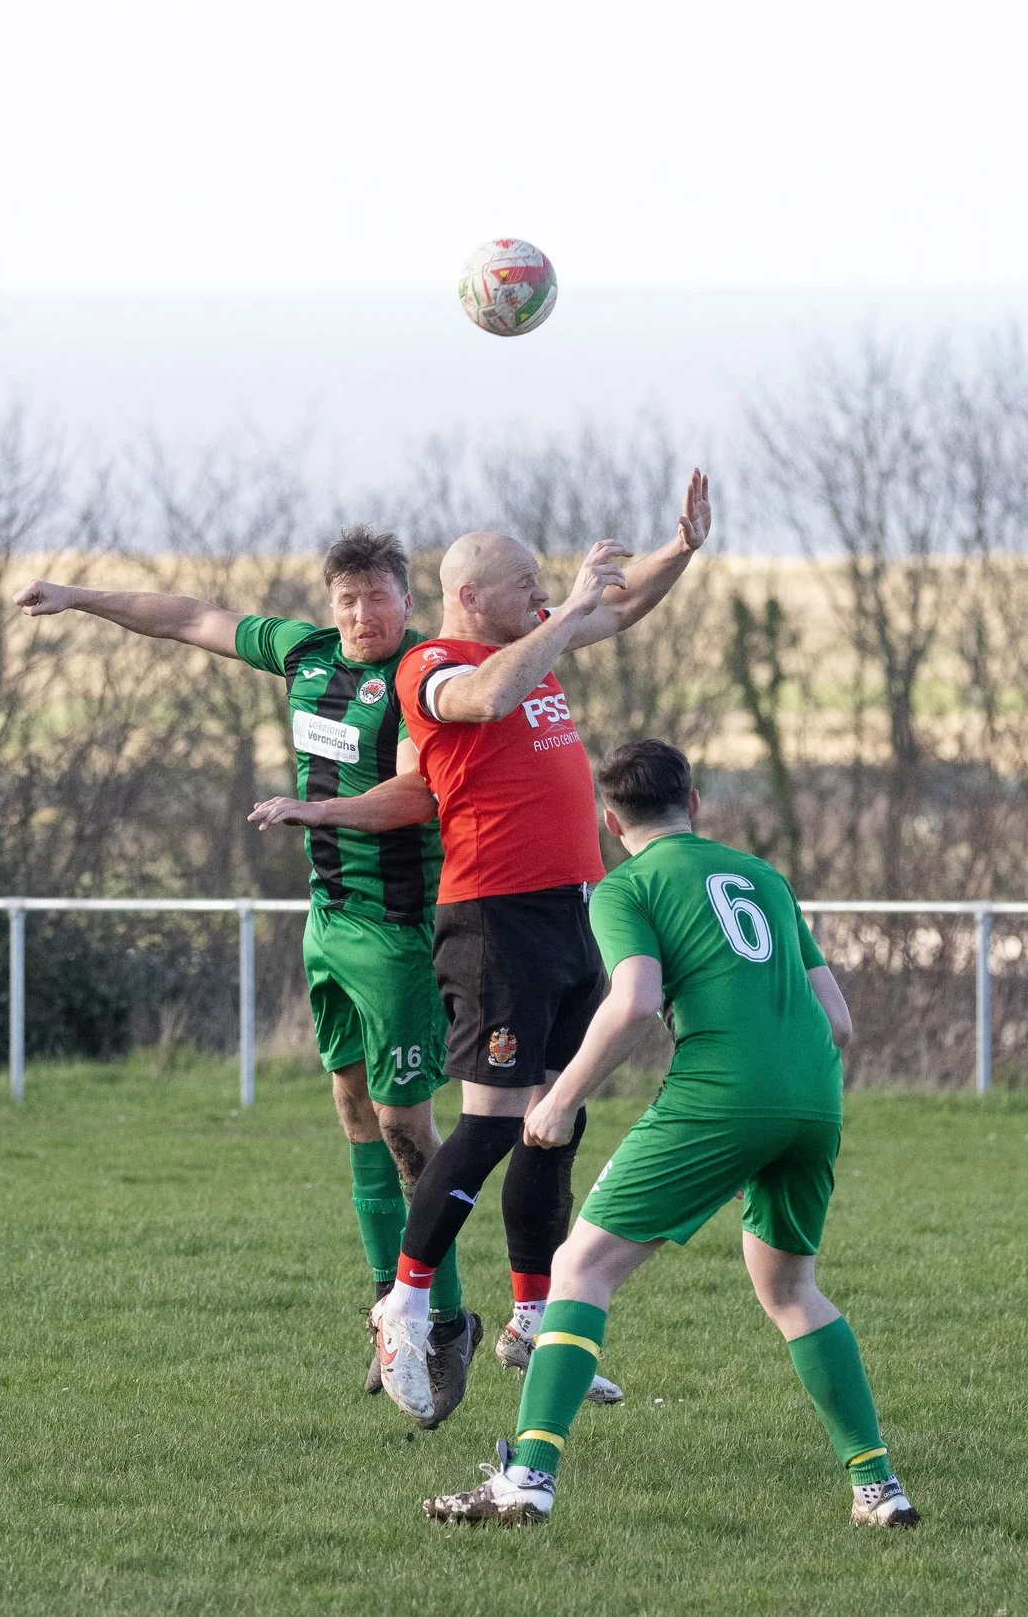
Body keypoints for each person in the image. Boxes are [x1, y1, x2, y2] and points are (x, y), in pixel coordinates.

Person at [13, 527, 483, 1422]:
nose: (361, 614)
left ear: (406, 601)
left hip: (399, 933)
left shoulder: (423, 673)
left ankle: (445, 1319)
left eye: (377, 597)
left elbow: (419, 795)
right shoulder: (305, 654)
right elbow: (188, 615)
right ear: (330, 603)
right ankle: (392, 1311)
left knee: (408, 1131)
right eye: (347, 598)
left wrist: (315, 806)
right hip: (329, 923)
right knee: (351, 1111)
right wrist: (79, 594)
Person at [423, 739, 918, 1528]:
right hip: (815, 1096)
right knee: (792, 1290)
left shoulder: (626, 888)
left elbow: (634, 998)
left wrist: (559, 1101)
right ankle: (877, 1487)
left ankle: (527, 1480)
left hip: (721, 1092)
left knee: (579, 1269)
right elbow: (840, 1022)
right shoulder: (762, 877)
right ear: (695, 804)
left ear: (611, 823)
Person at [349, 472, 713, 1425]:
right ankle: (408, 1304)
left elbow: (616, 618)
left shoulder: (534, 642)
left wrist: (680, 550)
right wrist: (571, 612)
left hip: (569, 912)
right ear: (473, 596)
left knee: (559, 1116)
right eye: (528, 585)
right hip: (494, 920)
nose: (545, 596)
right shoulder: (433, 663)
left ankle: (530, 1321)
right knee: (493, 1123)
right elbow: (483, 697)